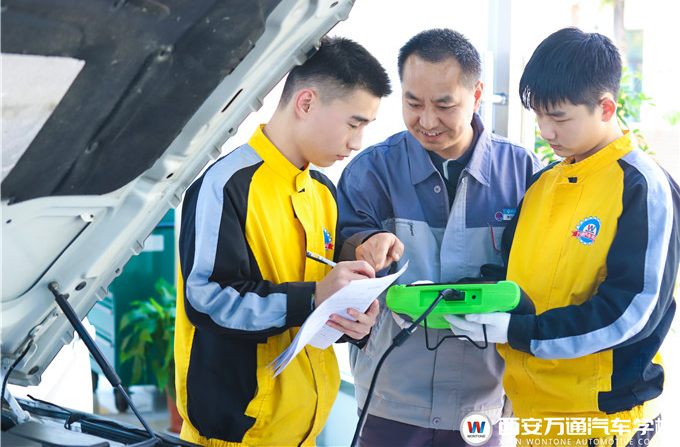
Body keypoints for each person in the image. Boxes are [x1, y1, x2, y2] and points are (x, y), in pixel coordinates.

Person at [447, 27, 680, 446]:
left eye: (559, 117)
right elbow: (511, 277)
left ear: (605, 108)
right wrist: (466, 299)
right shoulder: (542, 184)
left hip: (604, 421)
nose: (546, 131)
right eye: (539, 115)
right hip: (532, 414)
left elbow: (632, 313)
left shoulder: (643, 187)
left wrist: (520, 332)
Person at [174, 36, 392, 447]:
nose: (357, 142)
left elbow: (311, 308)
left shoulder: (323, 192)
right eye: (354, 123)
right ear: (306, 103)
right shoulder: (226, 185)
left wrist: (352, 322)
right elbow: (207, 300)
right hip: (237, 437)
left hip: (304, 432)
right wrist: (313, 297)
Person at [336, 28, 543, 446]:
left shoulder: (523, 173)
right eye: (413, 103)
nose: (427, 121)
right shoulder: (370, 171)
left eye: (444, 105)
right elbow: (340, 250)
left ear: (477, 94)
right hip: (389, 399)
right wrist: (363, 244)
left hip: (482, 403)